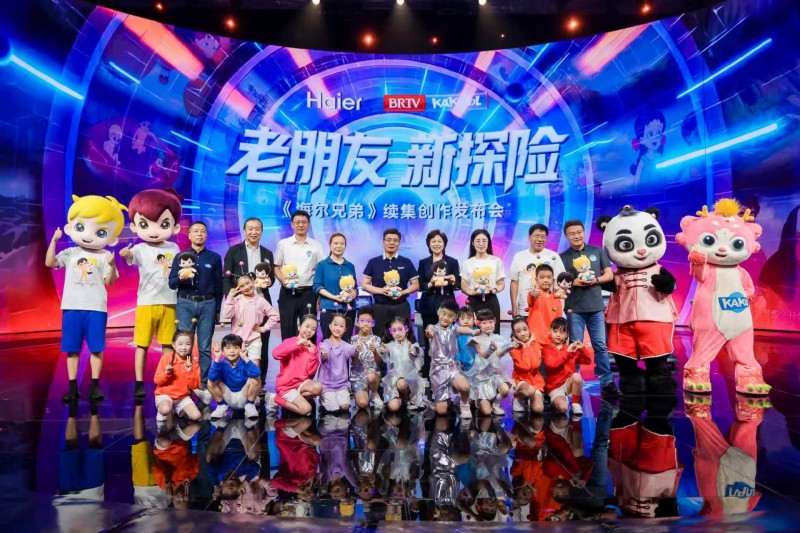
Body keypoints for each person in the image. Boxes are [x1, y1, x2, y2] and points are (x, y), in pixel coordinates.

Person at [45, 194, 127, 403]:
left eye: (100, 232)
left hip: (96, 308)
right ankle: (72, 387)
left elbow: (110, 282)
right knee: (72, 349)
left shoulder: (104, 256)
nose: (89, 236)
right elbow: (50, 263)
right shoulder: (71, 252)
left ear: (111, 238)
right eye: (81, 227)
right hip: (72, 307)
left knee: (96, 348)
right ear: (70, 227)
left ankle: (95, 385)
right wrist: (54, 241)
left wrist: (113, 265)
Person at [122, 188, 182, 400]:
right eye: (145, 224)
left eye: (163, 224)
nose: (154, 231)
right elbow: (130, 258)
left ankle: (166, 379)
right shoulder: (139, 249)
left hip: (170, 302)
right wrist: (126, 254)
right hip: (146, 303)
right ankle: (139, 382)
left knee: (167, 345)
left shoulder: (174, 248)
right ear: (135, 226)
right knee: (142, 344)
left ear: (174, 226)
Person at [559, 219, 620, 398]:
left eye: (579, 232)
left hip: (595, 307)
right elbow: (560, 281)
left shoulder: (597, 251)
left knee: (600, 345)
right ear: (566, 236)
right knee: (575, 345)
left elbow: (609, 275)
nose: (576, 236)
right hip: (574, 308)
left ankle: (607, 382)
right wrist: (574, 282)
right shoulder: (562, 257)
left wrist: (595, 280)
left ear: (584, 232)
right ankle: (573, 380)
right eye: (572, 233)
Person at [169, 221, 223, 394]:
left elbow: (219, 285)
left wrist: (218, 309)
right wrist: (182, 277)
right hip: (185, 303)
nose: (199, 234)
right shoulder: (180, 257)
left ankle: (204, 384)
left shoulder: (214, 258)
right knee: (184, 344)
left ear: (206, 235)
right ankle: (184, 381)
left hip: (208, 304)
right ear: (190, 235)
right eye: (196, 231)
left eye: (203, 231)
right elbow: (171, 283)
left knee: (205, 346)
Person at [222, 217, 276, 380]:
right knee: (238, 342)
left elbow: (271, 277)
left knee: (261, 343)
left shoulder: (267, 253)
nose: (254, 232)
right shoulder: (234, 251)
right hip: (241, 304)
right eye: (250, 229)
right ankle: (238, 380)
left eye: (257, 229)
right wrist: (231, 297)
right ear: (244, 230)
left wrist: (270, 281)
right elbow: (226, 278)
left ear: (261, 231)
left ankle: (260, 382)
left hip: (260, 303)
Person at [274, 210, 326, 341]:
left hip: (309, 293)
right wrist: (284, 281)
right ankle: (288, 354)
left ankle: (308, 354)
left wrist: (319, 296)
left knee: (309, 329)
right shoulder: (283, 244)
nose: (300, 225)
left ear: (309, 224)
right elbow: (276, 267)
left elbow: (321, 270)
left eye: (304, 222)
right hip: (287, 293)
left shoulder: (316, 245)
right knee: (287, 329)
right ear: (292, 224)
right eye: (297, 222)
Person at [221, 274, 280, 383]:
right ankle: (238, 389)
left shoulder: (261, 301)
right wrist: (230, 298)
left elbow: (274, 316)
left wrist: (263, 328)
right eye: (242, 286)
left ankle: (255, 389)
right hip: (237, 341)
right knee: (236, 368)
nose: (246, 287)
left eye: (248, 283)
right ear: (238, 288)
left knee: (254, 367)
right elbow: (226, 315)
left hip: (254, 339)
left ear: (253, 281)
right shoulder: (236, 300)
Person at [417, 230, 461, 371]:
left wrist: (452, 281)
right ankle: (428, 369)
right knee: (429, 338)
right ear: (429, 244)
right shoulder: (423, 263)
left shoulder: (452, 262)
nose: (436, 244)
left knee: (449, 338)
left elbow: (458, 284)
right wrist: (431, 283)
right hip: (429, 306)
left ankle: (449, 369)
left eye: (439, 241)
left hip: (447, 307)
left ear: (444, 243)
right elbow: (420, 285)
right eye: (433, 241)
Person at [362, 228, 420, 334]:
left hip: (401, 307)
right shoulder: (373, 262)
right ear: (383, 242)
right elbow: (365, 285)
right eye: (388, 240)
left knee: (403, 337)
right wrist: (381, 291)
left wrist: (402, 292)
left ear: (399, 243)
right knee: (380, 337)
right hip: (380, 308)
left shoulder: (406, 262)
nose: (391, 243)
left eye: (395, 240)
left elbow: (416, 285)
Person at [424, 299, 472, 418]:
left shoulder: (454, 328)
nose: (445, 318)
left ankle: (465, 405)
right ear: (438, 312)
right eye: (444, 314)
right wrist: (430, 333)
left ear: (454, 318)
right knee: (442, 411)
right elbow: (430, 330)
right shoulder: (432, 327)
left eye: (450, 316)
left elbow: (462, 329)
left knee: (465, 386)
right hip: (437, 372)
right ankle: (445, 399)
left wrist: (473, 331)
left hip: (452, 368)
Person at [272, 315, 324, 416]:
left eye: (313, 329)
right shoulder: (290, 341)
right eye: (307, 326)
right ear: (299, 327)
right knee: (306, 409)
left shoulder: (312, 347)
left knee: (318, 388)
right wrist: (297, 344)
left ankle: (296, 399)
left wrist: (312, 353)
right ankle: (276, 399)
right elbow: (276, 354)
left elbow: (311, 371)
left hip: (301, 384)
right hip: (286, 386)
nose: (309, 331)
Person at [509, 224, 565, 317]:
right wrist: (514, 306)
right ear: (529, 237)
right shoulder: (519, 256)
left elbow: (559, 281)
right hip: (524, 308)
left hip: (547, 308)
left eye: (543, 237)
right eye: (536, 236)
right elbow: (514, 282)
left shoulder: (553, 256)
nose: (539, 239)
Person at [541, 318, 591, 416]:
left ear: (566, 335)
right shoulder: (546, 349)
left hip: (568, 384)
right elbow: (553, 365)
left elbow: (587, 361)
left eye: (562, 332)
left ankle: (575, 404)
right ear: (550, 331)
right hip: (555, 387)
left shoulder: (569, 349)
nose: (558, 335)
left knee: (577, 376)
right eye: (555, 331)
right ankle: (554, 400)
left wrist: (582, 348)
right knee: (563, 408)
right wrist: (567, 352)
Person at [468, 309, 513, 417]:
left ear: (495, 321)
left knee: (505, 390)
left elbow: (499, 354)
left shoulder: (499, 338)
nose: (488, 325)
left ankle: (495, 404)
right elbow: (484, 355)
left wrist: (510, 346)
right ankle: (478, 400)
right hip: (481, 379)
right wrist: (491, 349)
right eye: (484, 323)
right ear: (478, 323)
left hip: (494, 376)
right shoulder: (474, 340)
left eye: (490, 322)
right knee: (486, 412)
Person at [313, 233, 358, 342]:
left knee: (346, 341)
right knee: (328, 342)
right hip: (328, 308)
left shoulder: (350, 265)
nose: (339, 246)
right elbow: (317, 286)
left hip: (348, 309)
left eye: (342, 243)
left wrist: (355, 293)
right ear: (330, 245)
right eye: (336, 243)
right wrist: (333, 297)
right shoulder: (322, 265)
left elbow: (355, 286)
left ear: (345, 246)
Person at [208, 334, 263, 421]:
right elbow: (212, 377)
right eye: (228, 348)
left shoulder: (245, 362)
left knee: (255, 378)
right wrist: (217, 359)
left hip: (244, 397)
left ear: (240, 349)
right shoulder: (221, 364)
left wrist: (245, 357)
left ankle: (250, 405)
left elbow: (257, 373)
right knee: (211, 381)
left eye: (236, 348)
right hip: (227, 397)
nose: (232, 351)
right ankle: (221, 406)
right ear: (223, 352)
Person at [460, 230, 506, 334]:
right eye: (478, 241)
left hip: (491, 299)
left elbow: (501, 283)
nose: (481, 244)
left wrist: (494, 289)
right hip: (474, 300)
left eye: (484, 241)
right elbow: (463, 284)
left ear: (488, 242)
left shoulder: (496, 261)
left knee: (493, 331)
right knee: (474, 331)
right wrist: (470, 291)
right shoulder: (467, 263)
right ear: (473, 243)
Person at [153, 330, 202, 422]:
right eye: (180, 344)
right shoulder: (166, 358)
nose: (184, 347)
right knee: (165, 410)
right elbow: (157, 380)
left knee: (196, 416)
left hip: (182, 397)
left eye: (188, 344)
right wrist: (167, 373)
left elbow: (195, 386)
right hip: (165, 395)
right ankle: (164, 410)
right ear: (174, 345)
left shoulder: (193, 363)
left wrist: (189, 371)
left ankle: (176, 409)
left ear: (192, 346)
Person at [382, 317, 427, 412]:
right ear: (390, 332)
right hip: (394, 381)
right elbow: (384, 357)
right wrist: (383, 351)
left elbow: (419, 360)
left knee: (402, 383)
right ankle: (401, 399)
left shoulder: (413, 345)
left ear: (406, 329)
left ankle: (409, 398)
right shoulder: (389, 346)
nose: (397, 333)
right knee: (393, 407)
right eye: (394, 330)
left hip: (410, 382)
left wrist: (413, 353)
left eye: (400, 329)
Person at [318, 314, 357, 413]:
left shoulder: (345, 345)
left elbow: (353, 349)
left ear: (345, 329)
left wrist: (357, 348)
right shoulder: (325, 344)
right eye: (335, 325)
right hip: (326, 385)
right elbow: (323, 354)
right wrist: (323, 355)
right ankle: (322, 397)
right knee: (334, 408)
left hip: (341, 385)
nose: (338, 328)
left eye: (341, 326)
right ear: (330, 326)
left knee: (345, 407)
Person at [350, 307, 385, 410]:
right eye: (362, 321)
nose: (365, 324)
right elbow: (353, 363)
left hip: (372, 375)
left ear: (373, 323)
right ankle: (362, 394)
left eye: (368, 321)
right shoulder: (352, 340)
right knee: (362, 404)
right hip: (358, 376)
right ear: (357, 322)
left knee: (371, 376)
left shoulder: (377, 339)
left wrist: (375, 351)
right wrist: (356, 352)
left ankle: (374, 394)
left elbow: (379, 363)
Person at [509, 318, 545, 414]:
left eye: (525, 329)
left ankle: (530, 400)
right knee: (529, 391)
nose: (523, 333)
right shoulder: (513, 349)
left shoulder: (536, 345)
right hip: (521, 380)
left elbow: (535, 365)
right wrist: (525, 347)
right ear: (514, 334)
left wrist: (528, 345)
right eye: (518, 331)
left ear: (529, 330)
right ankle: (518, 398)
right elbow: (526, 367)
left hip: (535, 381)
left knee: (538, 409)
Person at [526, 264, 563, 345]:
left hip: (550, 342)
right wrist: (532, 293)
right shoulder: (536, 294)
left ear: (553, 280)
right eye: (542, 277)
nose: (546, 280)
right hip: (534, 341)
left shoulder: (556, 299)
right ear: (536, 280)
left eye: (549, 277)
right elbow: (531, 297)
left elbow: (559, 323)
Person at [455, 305, 479, 372]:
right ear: (458, 320)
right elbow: (456, 351)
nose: (465, 321)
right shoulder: (457, 334)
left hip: (477, 367)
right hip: (462, 367)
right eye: (462, 319)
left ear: (474, 319)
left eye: (469, 318)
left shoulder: (477, 332)